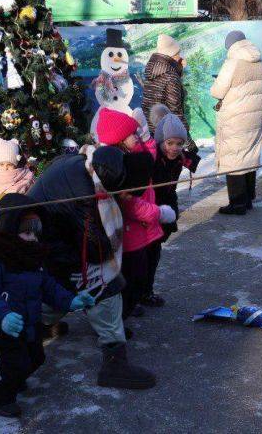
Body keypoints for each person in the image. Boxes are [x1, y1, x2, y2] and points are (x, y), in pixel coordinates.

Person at [28, 145, 157, 390]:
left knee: (65, 287)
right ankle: (114, 363)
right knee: (104, 285)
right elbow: (97, 249)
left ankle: (38, 325)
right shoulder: (86, 196)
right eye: (128, 193)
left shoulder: (87, 165)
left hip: (51, 239)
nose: (128, 198)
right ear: (119, 180)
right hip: (46, 243)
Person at [0, 193, 95, 418]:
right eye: (27, 232)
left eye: (36, 233)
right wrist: (3, 316)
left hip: (29, 322)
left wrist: (71, 300)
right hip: (4, 326)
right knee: (14, 363)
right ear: (10, 229)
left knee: (36, 358)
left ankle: (14, 378)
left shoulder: (32, 257)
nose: (33, 239)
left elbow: (48, 286)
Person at [211, 30, 262, 216]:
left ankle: (237, 203)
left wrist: (217, 81)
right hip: (254, 117)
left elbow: (217, 92)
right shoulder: (259, 61)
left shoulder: (232, 62)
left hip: (235, 117)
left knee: (234, 157)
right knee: (249, 155)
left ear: (231, 45)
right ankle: (249, 198)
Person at [117, 151, 173, 319]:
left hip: (145, 234)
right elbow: (135, 207)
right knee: (132, 277)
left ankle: (134, 302)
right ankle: (121, 315)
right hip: (131, 239)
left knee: (144, 271)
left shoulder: (144, 175)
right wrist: (160, 213)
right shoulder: (128, 185)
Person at [143, 111, 189, 307]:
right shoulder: (151, 158)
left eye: (179, 144)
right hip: (147, 208)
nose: (175, 148)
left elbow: (191, 158)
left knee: (154, 253)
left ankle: (146, 291)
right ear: (161, 141)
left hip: (167, 203)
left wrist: (173, 211)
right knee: (140, 257)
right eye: (170, 143)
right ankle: (133, 296)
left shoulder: (179, 159)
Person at [142, 34, 196, 152]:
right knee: (170, 168)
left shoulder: (151, 71)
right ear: (171, 55)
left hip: (152, 131)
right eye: (177, 53)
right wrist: (188, 141)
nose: (179, 57)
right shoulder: (171, 76)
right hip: (168, 136)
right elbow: (175, 111)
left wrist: (178, 69)